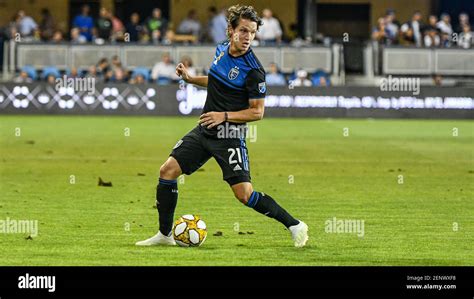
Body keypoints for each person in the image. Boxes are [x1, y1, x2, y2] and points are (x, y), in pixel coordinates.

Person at [136, 5, 308, 248]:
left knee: (244, 194)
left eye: (252, 32)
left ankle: (295, 225)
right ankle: (165, 235)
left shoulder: (254, 71)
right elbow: (216, 81)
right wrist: (191, 79)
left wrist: (223, 116)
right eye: (244, 31)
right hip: (206, 128)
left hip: (229, 135)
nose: (248, 37)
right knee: (167, 171)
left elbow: (257, 112)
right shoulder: (220, 50)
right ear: (231, 30)